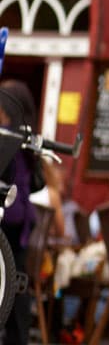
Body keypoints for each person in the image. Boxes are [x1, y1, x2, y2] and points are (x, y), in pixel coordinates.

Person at [0, 80, 40, 344]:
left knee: (11, 282)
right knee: (14, 282)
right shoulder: (26, 138)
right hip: (22, 218)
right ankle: (18, 337)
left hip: (10, 216)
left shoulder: (8, 137)